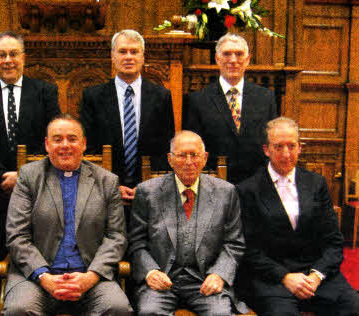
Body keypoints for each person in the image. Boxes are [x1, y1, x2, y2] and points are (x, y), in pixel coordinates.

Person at [3, 114, 131, 315]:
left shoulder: (107, 181)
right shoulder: (29, 177)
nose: (65, 145)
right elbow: (17, 236)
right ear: (47, 144)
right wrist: (45, 277)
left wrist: (90, 277)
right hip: (36, 277)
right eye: (57, 139)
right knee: (20, 309)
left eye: (72, 139)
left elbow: (116, 237)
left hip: (91, 275)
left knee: (117, 307)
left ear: (84, 144)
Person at [237, 117, 359, 315]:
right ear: (266, 150)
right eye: (279, 147)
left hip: (316, 274)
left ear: (300, 148)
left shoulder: (316, 183)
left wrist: (317, 275)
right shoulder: (248, 189)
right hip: (273, 279)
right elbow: (249, 249)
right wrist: (285, 277)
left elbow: (334, 241)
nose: (286, 154)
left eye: (291, 146)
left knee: (354, 307)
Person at [128, 131, 247, 315]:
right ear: (170, 159)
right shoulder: (147, 193)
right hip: (162, 282)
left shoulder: (226, 193)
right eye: (182, 155)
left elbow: (234, 243)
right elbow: (136, 242)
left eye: (195, 155)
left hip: (205, 281)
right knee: (149, 312)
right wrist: (150, 272)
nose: (189, 162)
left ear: (205, 158)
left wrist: (219, 274)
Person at [0, 31, 60, 260]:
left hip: (38, 185)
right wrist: (2, 175)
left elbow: (54, 138)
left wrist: (23, 174)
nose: (7, 60)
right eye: (1, 55)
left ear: (23, 57)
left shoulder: (44, 92)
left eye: (13, 54)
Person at [80, 29, 175, 205]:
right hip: (104, 192)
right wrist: (111, 184)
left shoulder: (161, 96)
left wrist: (149, 185)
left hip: (150, 192)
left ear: (143, 56)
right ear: (112, 56)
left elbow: (166, 146)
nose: (129, 57)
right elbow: (89, 148)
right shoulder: (93, 97)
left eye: (134, 51)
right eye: (123, 51)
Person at [183, 32, 278, 184]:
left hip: (257, 186)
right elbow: (194, 149)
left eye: (239, 54)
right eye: (227, 54)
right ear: (217, 59)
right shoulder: (198, 100)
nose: (233, 60)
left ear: (247, 60)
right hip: (214, 185)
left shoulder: (266, 98)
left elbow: (272, 143)